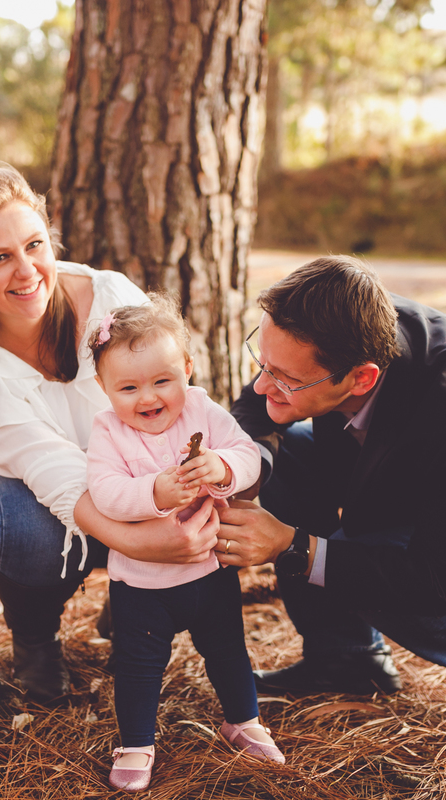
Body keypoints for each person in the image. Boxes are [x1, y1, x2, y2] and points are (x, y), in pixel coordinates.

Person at [0, 163, 218, 706]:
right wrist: (147, 542)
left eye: (35, 245)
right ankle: (35, 639)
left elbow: (171, 398)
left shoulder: (108, 298)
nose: (26, 272)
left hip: (135, 474)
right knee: (26, 532)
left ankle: (130, 601)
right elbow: (59, 477)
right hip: (27, 497)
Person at [214, 255, 446, 735]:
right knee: (282, 456)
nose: (264, 382)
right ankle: (346, 658)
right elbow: (257, 403)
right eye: (263, 362)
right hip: (392, 481)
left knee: (366, 575)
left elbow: (434, 582)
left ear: (362, 377)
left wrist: (291, 545)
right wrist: (248, 470)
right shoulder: (336, 319)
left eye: (285, 378)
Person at [85, 297, 283, 792]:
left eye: (162, 381)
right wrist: (153, 492)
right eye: (128, 387)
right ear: (104, 389)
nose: (148, 397)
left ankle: (243, 718)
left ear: (187, 371)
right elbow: (105, 492)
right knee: (138, 664)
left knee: (227, 648)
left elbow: (249, 457)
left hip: (210, 571)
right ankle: (135, 741)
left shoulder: (201, 409)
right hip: (141, 585)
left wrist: (222, 467)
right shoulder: (107, 430)